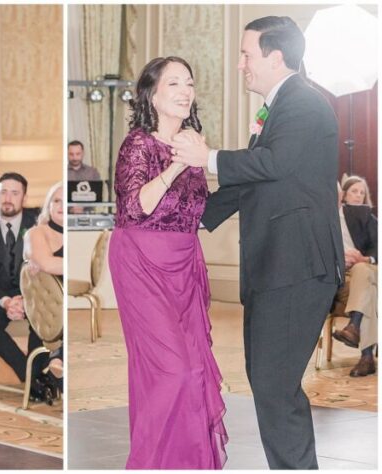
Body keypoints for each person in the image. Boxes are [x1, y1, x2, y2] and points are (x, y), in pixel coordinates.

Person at [171, 16, 343, 469]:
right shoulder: (280, 106)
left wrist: (205, 156)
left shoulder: (304, 103)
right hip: (277, 266)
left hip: (298, 267)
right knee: (270, 381)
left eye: (247, 55)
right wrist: (186, 219)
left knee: (273, 383)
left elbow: (272, 163)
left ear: (275, 56)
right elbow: (254, 182)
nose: (241, 65)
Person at [108, 56, 226, 469]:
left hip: (183, 263)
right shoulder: (139, 143)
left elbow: (201, 211)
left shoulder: (195, 143)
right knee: (171, 371)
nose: (184, 91)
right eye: (173, 83)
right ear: (152, 95)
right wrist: (181, 160)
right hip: (141, 261)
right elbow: (137, 206)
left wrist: (245, 168)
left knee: (192, 371)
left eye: (189, 83)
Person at [0, 173, 48, 400]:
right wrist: (6, 302)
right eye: (3, 192)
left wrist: (27, 298)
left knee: (43, 321)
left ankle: (34, 378)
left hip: (33, 293)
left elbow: (45, 267)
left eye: (14, 193)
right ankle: (31, 377)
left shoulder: (38, 224)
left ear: (24, 197)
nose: (8, 198)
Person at [332, 181, 378, 377]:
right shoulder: (313, 222)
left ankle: (354, 326)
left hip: (371, 268)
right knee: (370, 293)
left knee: (361, 269)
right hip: (343, 279)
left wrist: (365, 258)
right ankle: (366, 357)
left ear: (340, 195)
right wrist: (338, 261)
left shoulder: (361, 214)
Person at [24, 182, 64, 399]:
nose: (60, 206)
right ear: (48, 205)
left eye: (66, 201)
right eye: (56, 200)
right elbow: (48, 265)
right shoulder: (36, 232)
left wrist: (53, 262)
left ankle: (58, 358)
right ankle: (57, 360)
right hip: (46, 309)